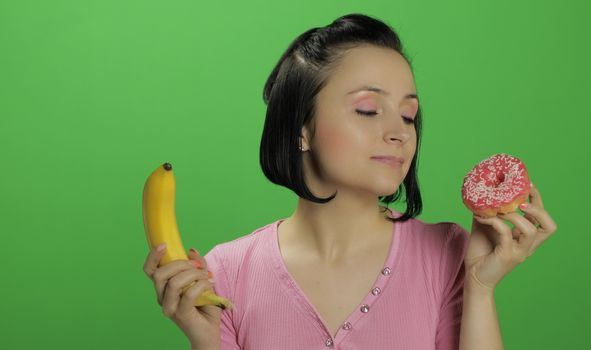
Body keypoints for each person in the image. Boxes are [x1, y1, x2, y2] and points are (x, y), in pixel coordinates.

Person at [143, 13, 558, 350]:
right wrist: (205, 341)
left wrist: (480, 287)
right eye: (367, 110)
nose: (400, 132)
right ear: (299, 129)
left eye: (409, 115)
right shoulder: (225, 276)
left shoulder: (447, 254)